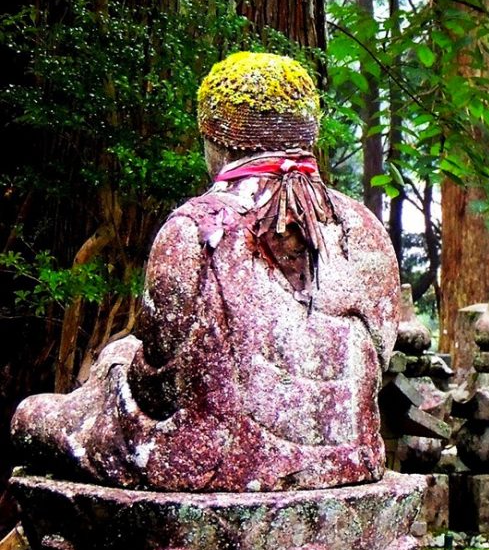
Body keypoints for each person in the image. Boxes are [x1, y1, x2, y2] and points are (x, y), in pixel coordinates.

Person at [11, 52, 404, 492]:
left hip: (220, 455)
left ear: (216, 141)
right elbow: (380, 357)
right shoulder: (363, 227)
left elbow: (162, 373)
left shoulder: (196, 228)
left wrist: (118, 368)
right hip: (352, 453)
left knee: (32, 416)